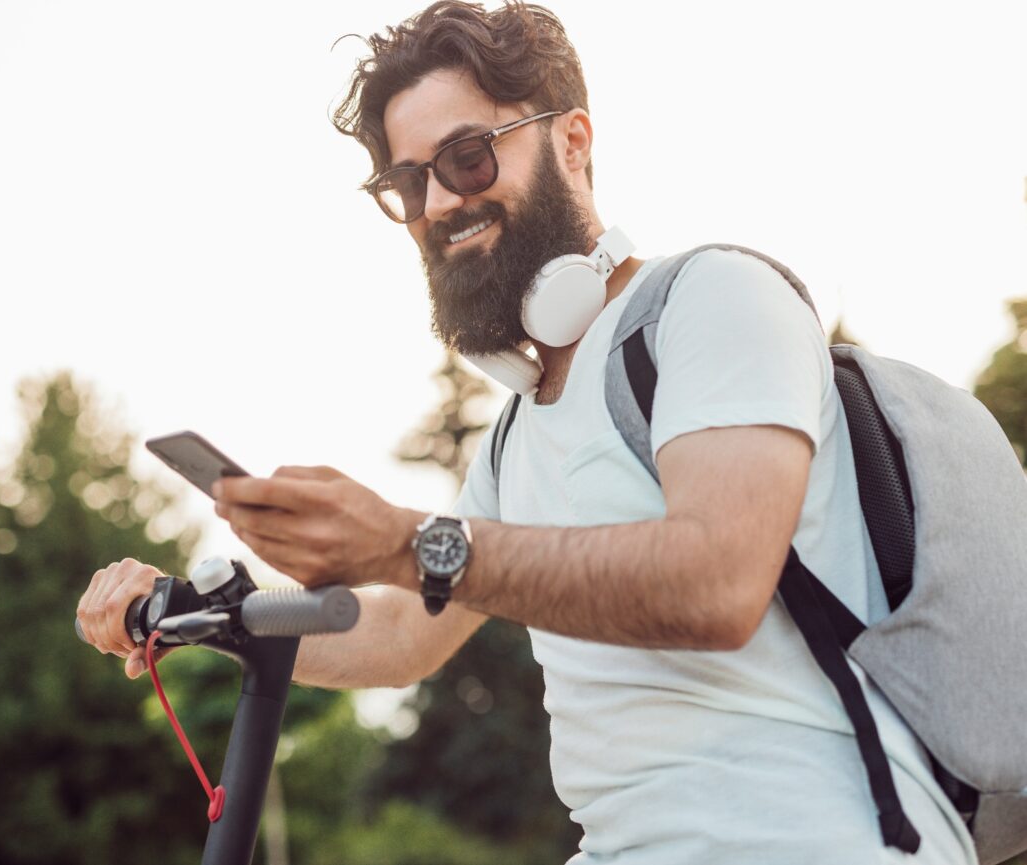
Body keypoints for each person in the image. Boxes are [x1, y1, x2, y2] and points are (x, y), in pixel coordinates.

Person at [77, 3, 977, 862]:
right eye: (407, 180)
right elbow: (399, 638)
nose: (435, 202)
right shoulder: (519, 430)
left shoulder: (712, 299)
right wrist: (214, 616)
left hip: (818, 839)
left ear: (572, 141)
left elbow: (718, 581)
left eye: (467, 157)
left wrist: (404, 542)